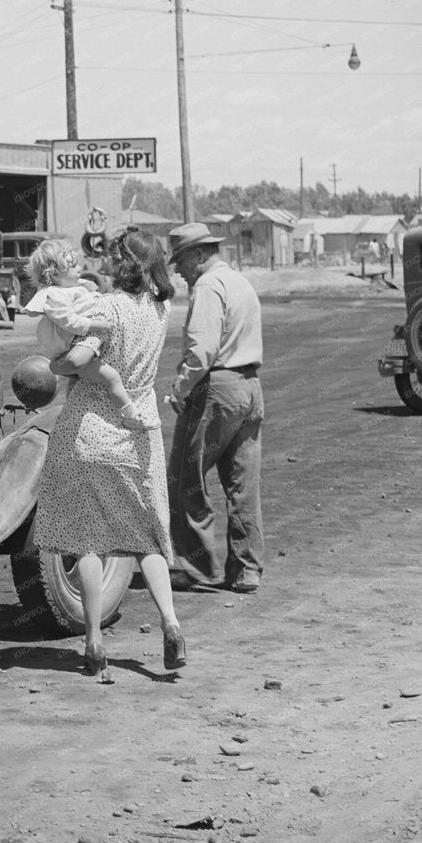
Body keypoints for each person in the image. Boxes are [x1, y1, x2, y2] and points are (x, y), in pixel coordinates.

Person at [31, 229, 185, 681]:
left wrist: (55, 365)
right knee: (147, 536)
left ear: (124, 263)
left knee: (87, 540)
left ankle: (94, 640)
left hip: (91, 431)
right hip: (140, 431)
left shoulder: (106, 307)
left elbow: (78, 360)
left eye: (113, 257)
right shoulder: (161, 308)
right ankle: (171, 623)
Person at [164, 222, 265, 594]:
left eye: (180, 261)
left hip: (217, 389)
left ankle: (196, 567)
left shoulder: (207, 286)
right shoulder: (239, 281)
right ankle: (246, 570)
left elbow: (202, 351)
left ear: (198, 254)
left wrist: (180, 390)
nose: (178, 270)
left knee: (183, 478)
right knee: (243, 484)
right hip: (249, 386)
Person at [24, 239, 146, 428]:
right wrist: (98, 324)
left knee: (88, 383)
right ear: (54, 273)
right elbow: (70, 322)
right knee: (112, 377)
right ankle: (131, 413)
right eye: (73, 266)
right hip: (70, 348)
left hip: (77, 346)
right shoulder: (54, 296)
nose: (79, 268)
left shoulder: (71, 287)